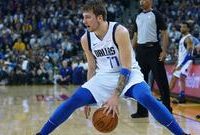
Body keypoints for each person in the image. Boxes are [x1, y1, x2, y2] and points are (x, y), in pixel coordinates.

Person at [36, 0, 189, 134]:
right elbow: (91, 67)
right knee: (73, 100)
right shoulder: (86, 39)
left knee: (145, 97)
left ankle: (181, 133)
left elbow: (127, 67)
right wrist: (90, 92)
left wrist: (115, 95)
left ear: (100, 17)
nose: (84, 21)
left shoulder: (119, 31)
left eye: (88, 17)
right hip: (103, 77)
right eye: (83, 17)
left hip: (128, 74)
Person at [131, 0, 172, 118]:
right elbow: (135, 36)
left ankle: (167, 108)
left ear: (150, 1)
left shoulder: (156, 14)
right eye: (140, 0)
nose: (141, 2)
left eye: (144, 0)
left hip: (154, 50)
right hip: (140, 51)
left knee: (161, 81)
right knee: (140, 82)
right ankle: (142, 111)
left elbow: (164, 33)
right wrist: (130, 51)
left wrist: (164, 51)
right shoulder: (136, 16)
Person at [169, 22, 194, 104]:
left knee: (182, 77)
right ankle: (165, 95)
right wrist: (176, 64)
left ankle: (182, 97)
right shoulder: (182, 38)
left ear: (188, 29)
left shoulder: (188, 38)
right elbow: (181, 53)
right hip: (181, 62)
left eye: (184, 27)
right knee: (173, 78)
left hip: (187, 62)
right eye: (181, 27)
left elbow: (189, 54)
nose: (181, 28)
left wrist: (182, 65)